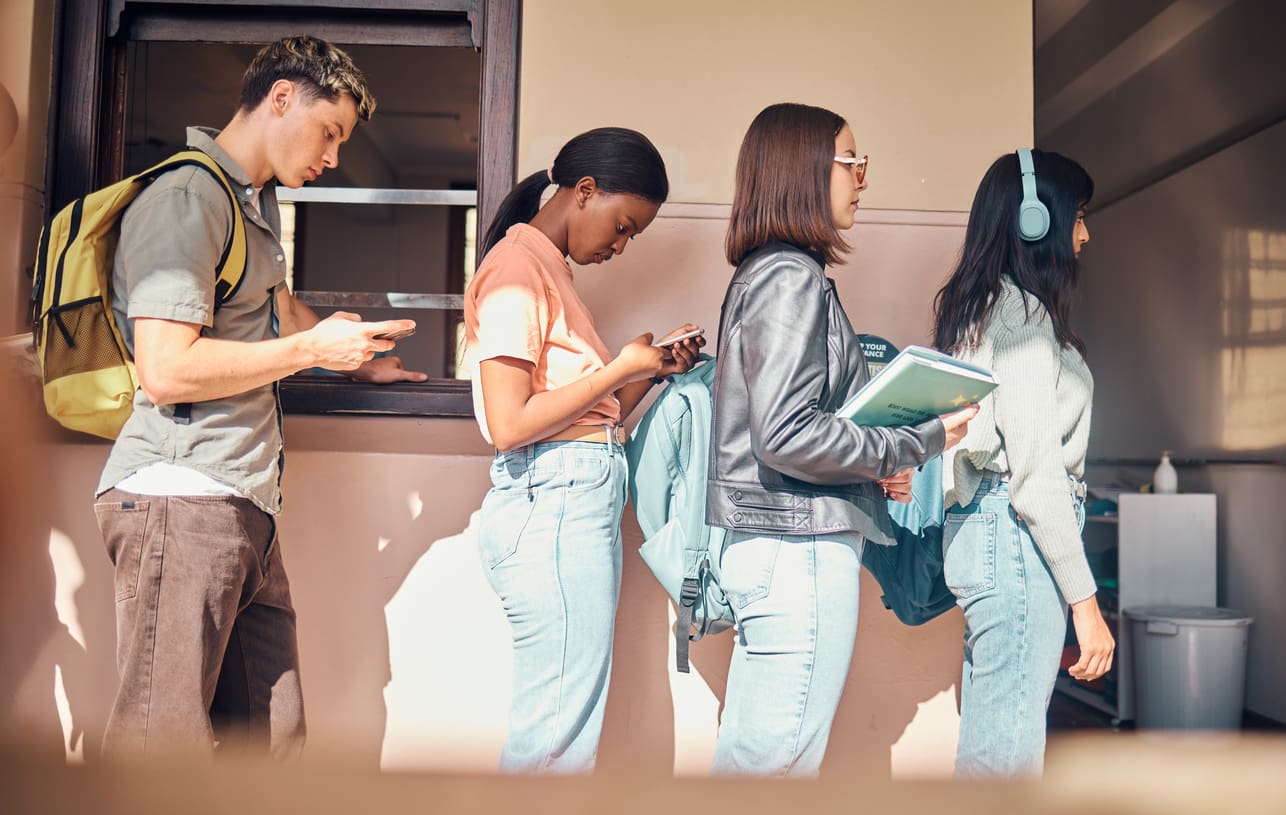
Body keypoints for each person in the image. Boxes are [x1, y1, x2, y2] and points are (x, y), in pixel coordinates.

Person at [93, 35, 426, 759]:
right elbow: (166, 367)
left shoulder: (251, 203)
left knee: (272, 754)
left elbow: (283, 311)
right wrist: (311, 352)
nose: (334, 157)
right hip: (178, 499)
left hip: (242, 504)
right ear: (281, 98)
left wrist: (357, 362)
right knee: (160, 750)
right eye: (329, 132)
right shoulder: (188, 197)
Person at [705, 102, 976, 776]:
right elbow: (787, 433)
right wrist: (915, 441)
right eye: (853, 163)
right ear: (804, 170)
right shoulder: (791, 278)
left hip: (777, 544)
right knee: (775, 774)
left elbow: (791, 426)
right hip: (796, 552)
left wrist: (870, 466)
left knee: (753, 767)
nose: (863, 180)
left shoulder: (771, 273)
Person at [464, 127, 704, 773]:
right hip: (553, 510)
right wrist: (617, 365)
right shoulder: (518, 269)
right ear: (585, 191)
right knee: (555, 744)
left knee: (562, 735)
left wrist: (648, 372)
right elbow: (510, 422)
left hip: (566, 504)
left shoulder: (550, 273)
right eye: (623, 226)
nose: (621, 247)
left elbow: (586, 419)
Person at [931, 148, 1115, 777]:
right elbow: (1037, 479)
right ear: (1035, 221)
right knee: (1005, 761)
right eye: (1080, 215)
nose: (1085, 233)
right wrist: (1088, 608)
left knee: (992, 748)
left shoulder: (981, 307)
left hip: (986, 536)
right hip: (1013, 540)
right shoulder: (1024, 320)